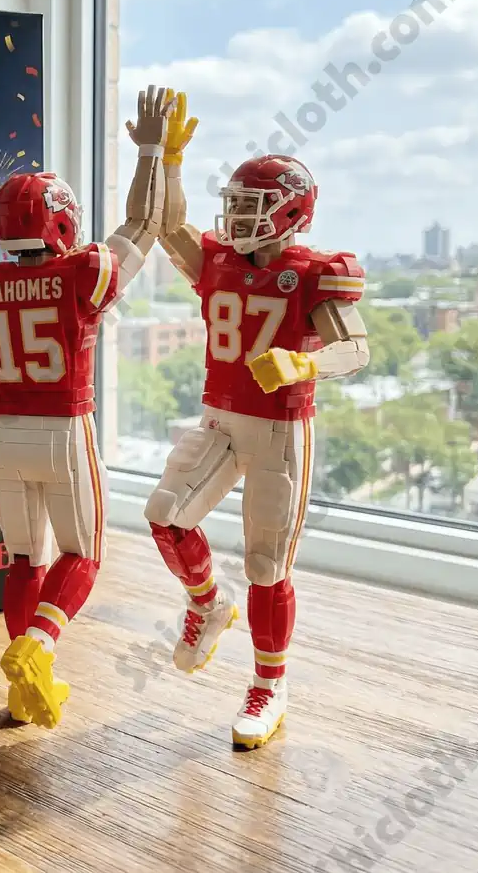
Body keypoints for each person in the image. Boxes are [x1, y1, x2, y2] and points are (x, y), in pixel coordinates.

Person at [0, 86, 192, 728]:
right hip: (64, 430)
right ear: (60, 220)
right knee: (81, 555)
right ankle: (39, 647)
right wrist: (148, 153)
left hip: (5, 436)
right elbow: (144, 224)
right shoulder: (80, 272)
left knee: (23, 558)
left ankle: (23, 684)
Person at [147, 134, 370, 749]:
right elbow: (166, 224)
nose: (239, 218)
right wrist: (165, 161)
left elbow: (356, 348)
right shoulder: (218, 259)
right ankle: (208, 604)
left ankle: (270, 684)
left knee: (266, 568)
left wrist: (306, 366)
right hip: (219, 417)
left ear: (293, 210)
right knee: (165, 516)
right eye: (236, 205)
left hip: (279, 429)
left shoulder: (313, 272)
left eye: (253, 206)